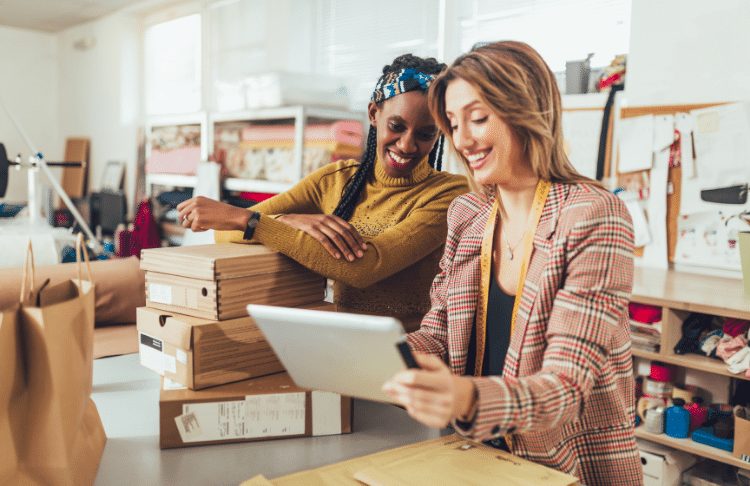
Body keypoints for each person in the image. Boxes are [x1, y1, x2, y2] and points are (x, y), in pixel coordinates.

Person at [382, 41, 643, 485]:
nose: (463, 141)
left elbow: (564, 389)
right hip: (477, 456)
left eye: (478, 118)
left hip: (567, 468)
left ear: (526, 111)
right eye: (453, 123)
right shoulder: (468, 215)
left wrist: (464, 397)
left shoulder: (593, 215)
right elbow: (440, 335)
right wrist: (384, 357)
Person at [176, 54, 470, 332]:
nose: (406, 145)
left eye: (425, 134)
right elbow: (225, 232)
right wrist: (289, 219)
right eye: (396, 126)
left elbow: (366, 266)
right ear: (373, 114)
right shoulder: (336, 180)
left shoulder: (449, 195)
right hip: (340, 348)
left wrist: (255, 222)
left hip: (411, 356)